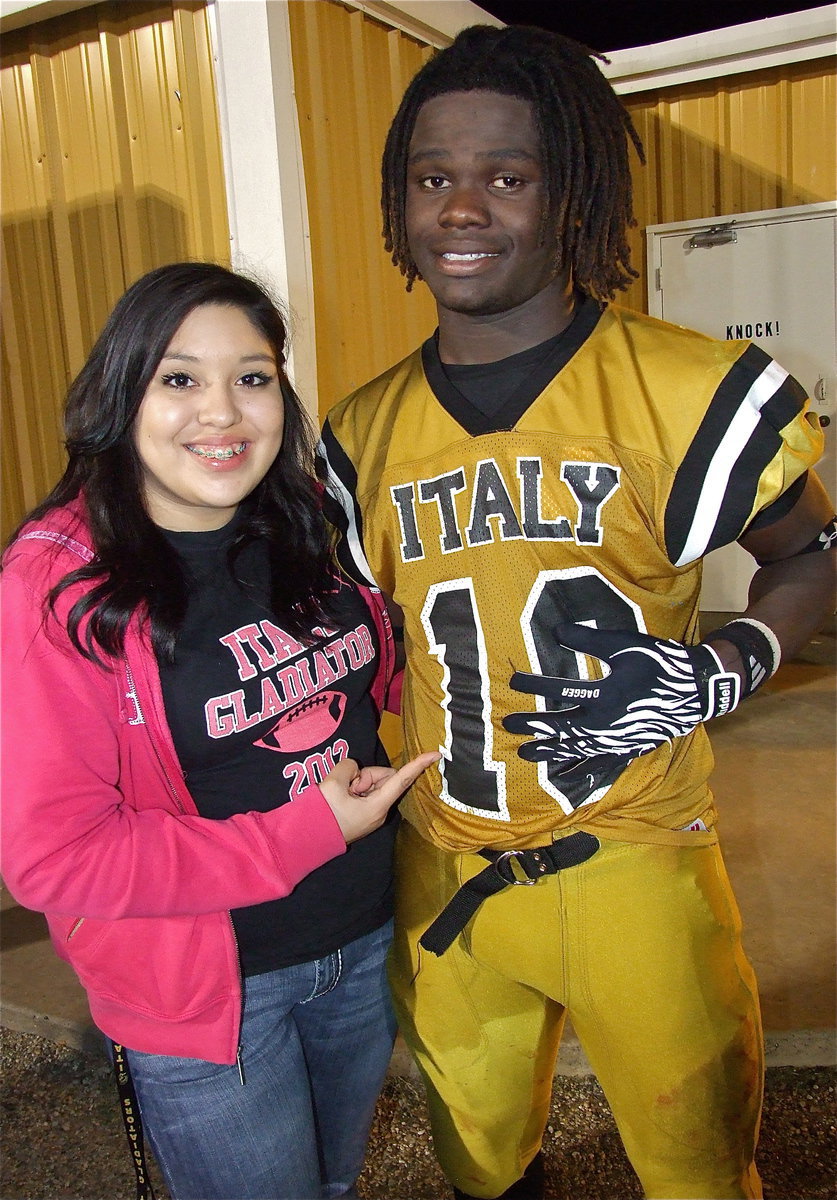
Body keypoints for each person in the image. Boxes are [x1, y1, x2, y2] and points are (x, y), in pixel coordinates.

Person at [316, 24, 837, 1200]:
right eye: (432, 177)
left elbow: (816, 553)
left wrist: (724, 664)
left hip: (633, 860)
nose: (462, 208)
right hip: (444, 867)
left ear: (573, 196)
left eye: (508, 176)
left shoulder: (684, 388)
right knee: (482, 1167)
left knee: (701, 1167)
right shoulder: (355, 435)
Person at [0, 261, 438, 1200]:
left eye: (252, 377)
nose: (223, 413)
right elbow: (56, 859)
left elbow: (374, 677)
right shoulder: (57, 588)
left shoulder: (306, 522)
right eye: (180, 378)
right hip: (209, 991)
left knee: (333, 1185)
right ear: (122, 395)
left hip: (362, 937)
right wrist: (310, 830)